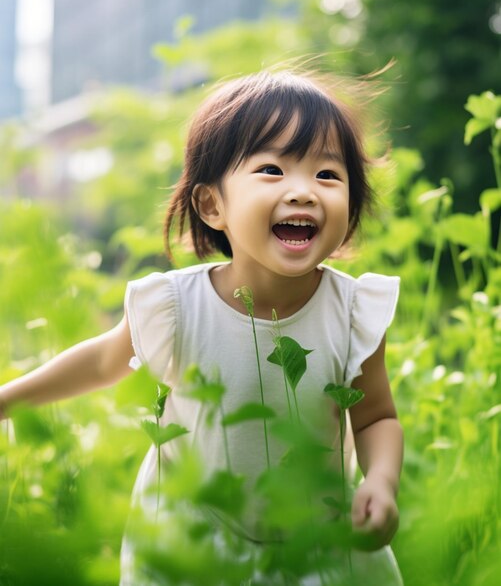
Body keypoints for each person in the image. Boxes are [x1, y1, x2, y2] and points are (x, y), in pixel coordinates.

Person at [0, 70, 404, 585]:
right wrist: (6, 400)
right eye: (272, 169)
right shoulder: (177, 306)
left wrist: (382, 482)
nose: (304, 191)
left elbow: (374, 418)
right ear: (213, 204)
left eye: (328, 175)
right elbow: (104, 362)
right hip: (193, 539)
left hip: (318, 540)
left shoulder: (353, 312)